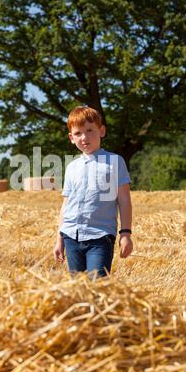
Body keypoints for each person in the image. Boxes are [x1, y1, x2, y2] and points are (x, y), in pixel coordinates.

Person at [53, 106, 133, 278]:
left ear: (102, 131)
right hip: (71, 236)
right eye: (78, 133)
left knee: (98, 286)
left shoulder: (114, 162)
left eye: (90, 130)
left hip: (100, 236)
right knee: (79, 289)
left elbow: (124, 200)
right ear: (71, 138)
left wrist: (125, 234)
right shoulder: (72, 167)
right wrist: (60, 239)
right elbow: (66, 205)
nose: (84, 137)